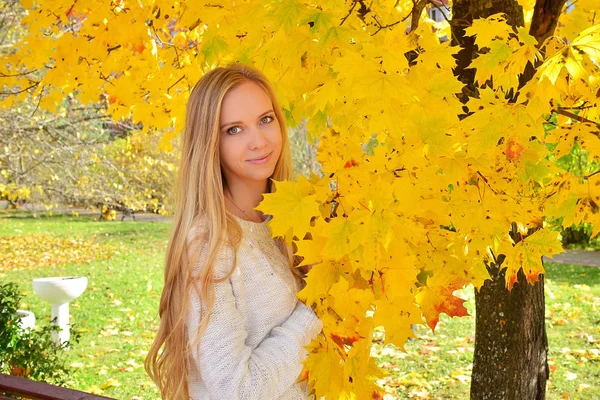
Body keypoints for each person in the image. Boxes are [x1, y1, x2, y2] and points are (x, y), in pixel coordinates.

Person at [145, 63, 323, 400]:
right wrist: (315, 312)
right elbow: (237, 390)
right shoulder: (209, 245)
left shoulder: (295, 222)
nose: (259, 141)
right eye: (234, 130)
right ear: (210, 142)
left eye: (265, 120)